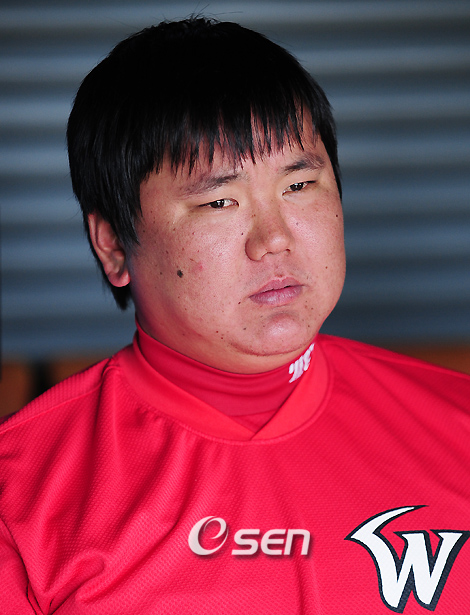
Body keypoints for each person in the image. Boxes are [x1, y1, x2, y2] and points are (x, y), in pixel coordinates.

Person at [1, 17, 469, 614]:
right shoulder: (21, 497)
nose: (274, 238)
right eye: (219, 201)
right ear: (114, 244)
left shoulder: (460, 427)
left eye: (300, 185)